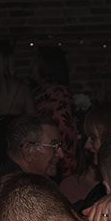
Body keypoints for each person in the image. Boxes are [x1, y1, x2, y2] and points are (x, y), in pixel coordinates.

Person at [31, 46, 79, 179]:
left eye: (35, 61)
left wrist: (64, 164)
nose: (31, 66)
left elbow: (64, 131)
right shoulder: (39, 92)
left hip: (56, 163)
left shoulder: (58, 94)